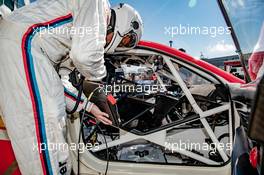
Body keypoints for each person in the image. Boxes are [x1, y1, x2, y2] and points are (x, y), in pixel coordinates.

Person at [0, 0, 143, 174]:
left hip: (26, 47)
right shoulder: (97, 5)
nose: (120, 45)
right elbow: (86, 57)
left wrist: (90, 107)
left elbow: (63, 83)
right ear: (121, 23)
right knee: (46, 130)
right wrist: (100, 80)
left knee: (52, 124)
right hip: (23, 44)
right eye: (126, 40)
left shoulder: (77, 37)